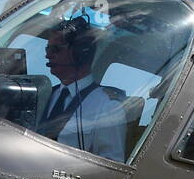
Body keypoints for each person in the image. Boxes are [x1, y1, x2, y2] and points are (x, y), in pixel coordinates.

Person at [37, 15, 127, 162]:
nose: (47, 55)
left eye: (55, 49)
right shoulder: (42, 96)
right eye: (47, 48)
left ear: (81, 52)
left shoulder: (107, 106)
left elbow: (111, 165)